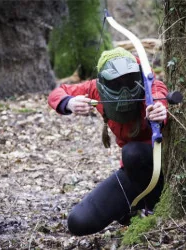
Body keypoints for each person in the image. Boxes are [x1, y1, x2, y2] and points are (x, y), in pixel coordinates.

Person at [48, 47, 168, 236]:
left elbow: (160, 99)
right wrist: (69, 102)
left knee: (133, 152)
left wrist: (160, 112)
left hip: (160, 169)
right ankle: (134, 207)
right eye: (116, 81)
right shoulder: (95, 88)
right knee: (79, 221)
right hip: (132, 174)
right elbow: (57, 93)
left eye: (128, 79)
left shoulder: (148, 82)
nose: (124, 87)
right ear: (104, 81)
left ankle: (153, 208)